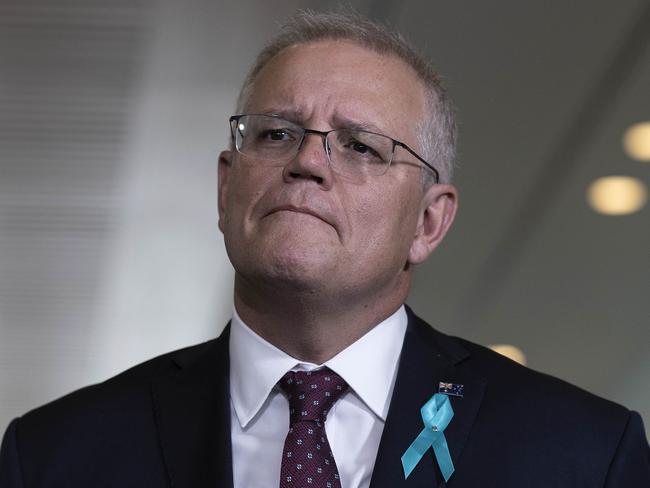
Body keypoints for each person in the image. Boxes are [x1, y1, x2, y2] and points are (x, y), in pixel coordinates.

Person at [0, 10, 648, 488]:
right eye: (278, 133)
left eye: (361, 146)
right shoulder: (56, 455)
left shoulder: (582, 455)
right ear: (227, 186)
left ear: (428, 222)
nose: (308, 160)